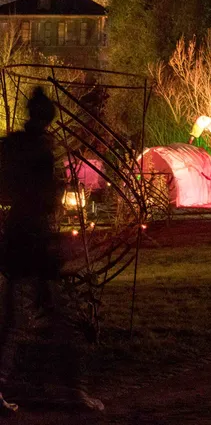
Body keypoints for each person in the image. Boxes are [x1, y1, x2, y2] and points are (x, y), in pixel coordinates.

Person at [0, 87, 102, 413]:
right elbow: (43, 197)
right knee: (58, 313)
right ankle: (73, 390)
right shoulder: (39, 149)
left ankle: (65, 388)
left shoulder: (14, 145)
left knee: (16, 317)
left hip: (18, 235)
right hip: (35, 237)